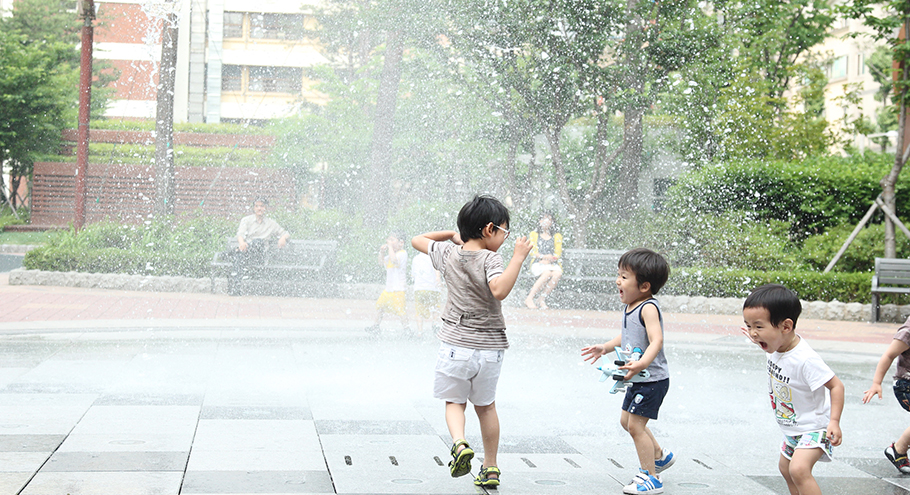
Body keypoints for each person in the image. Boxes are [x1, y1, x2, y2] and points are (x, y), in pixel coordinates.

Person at [411, 195, 531, 488]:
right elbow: (499, 290)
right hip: (490, 348)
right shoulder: (491, 257)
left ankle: (460, 443)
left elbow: (417, 239)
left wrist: (453, 236)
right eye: (505, 231)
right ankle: (490, 467)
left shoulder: (447, 254)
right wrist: (517, 258)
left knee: (454, 401)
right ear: (489, 229)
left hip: (455, 346)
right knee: (486, 406)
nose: (506, 237)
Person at [581, 248, 674, 495]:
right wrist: (605, 347)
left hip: (652, 379)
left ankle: (651, 477)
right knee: (627, 421)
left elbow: (657, 340)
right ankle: (659, 456)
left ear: (644, 286)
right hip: (638, 377)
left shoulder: (648, 307)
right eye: (618, 275)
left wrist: (642, 363)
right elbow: (628, 335)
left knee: (636, 426)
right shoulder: (632, 306)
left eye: (624, 276)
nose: (617, 281)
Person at [742, 284, 844, 495]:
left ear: (786, 326)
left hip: (814, 427)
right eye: (748, 326)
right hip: (792, 428)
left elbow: (836, 385)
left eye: (758, 327)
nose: (752, 333)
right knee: (785, 469)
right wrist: (760, 337)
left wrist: (834, 421)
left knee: (798, 469)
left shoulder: (806, 359)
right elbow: (770, 345)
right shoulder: (775, 346)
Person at [862, 315, 910, 474]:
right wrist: (876, 383)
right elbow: (889, 355)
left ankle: (898, 450)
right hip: (906, 385)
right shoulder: (908, 331)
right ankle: (898, 449)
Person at [230, 198, 290, 296]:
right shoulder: (246, 220)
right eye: (257, 206)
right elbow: (240, 234)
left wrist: (283, 238)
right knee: (239, 256)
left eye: (262, 206)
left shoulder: (271, 223)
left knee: (257, 242)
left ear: (265, 208)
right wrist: (241, 243)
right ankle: (236, 287)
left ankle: (235, 252)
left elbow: (286, 233)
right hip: (246, 255)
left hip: (259, 256)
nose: (259, 208)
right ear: (253, 208)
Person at [365, 232, 409, 335]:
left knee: (400, 311)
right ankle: (376, 326)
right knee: (380, 307)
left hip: (398, 289)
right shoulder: (390, 254)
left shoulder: (402, 253)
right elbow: (381, 263)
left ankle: (407, 329)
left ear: (401, 243)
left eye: (392, 240)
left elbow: (394, 260)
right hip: (388, 289)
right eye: (389, 240)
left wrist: (389, 247)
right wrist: (381, 252)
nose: (389, 242)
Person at [524, 213, 563, 310]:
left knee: (557, 274)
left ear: (552, 222)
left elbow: (557, 254)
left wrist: (549, 260)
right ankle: (529, 298)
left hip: (551, 263)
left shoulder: (557, 236)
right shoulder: (534, 235)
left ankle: (541, 298)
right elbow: (533, 252)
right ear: (540, 221)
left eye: (548, 219)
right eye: (543, 219)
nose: (545, 221)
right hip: (538, 263)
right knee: (546, 273)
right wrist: (543, 257)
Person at [411, 250, 442, 337]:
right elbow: (437, 269)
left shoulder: (416, 258)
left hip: (419, 289)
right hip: (433, 288)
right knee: (435, 308)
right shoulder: (433, 257)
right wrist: (438, 278)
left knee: (419, 311)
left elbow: (413, 275)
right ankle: (435, 323)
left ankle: (420, 331)